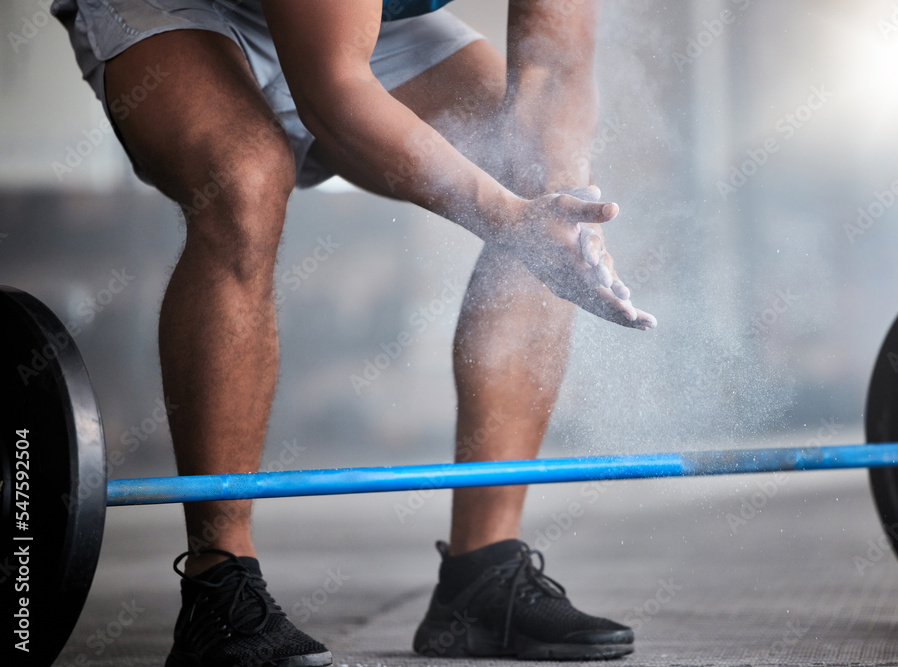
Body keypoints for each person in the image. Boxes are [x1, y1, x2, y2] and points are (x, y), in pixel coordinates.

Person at [52, 0, 657, 664]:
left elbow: (554, 69)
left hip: (368, 29)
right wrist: (507, 219)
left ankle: (481, 577)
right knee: (245, 177)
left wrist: (558, 214)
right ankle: (219, 582)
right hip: (179, 8)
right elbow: (334, 96)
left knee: (540, 190)